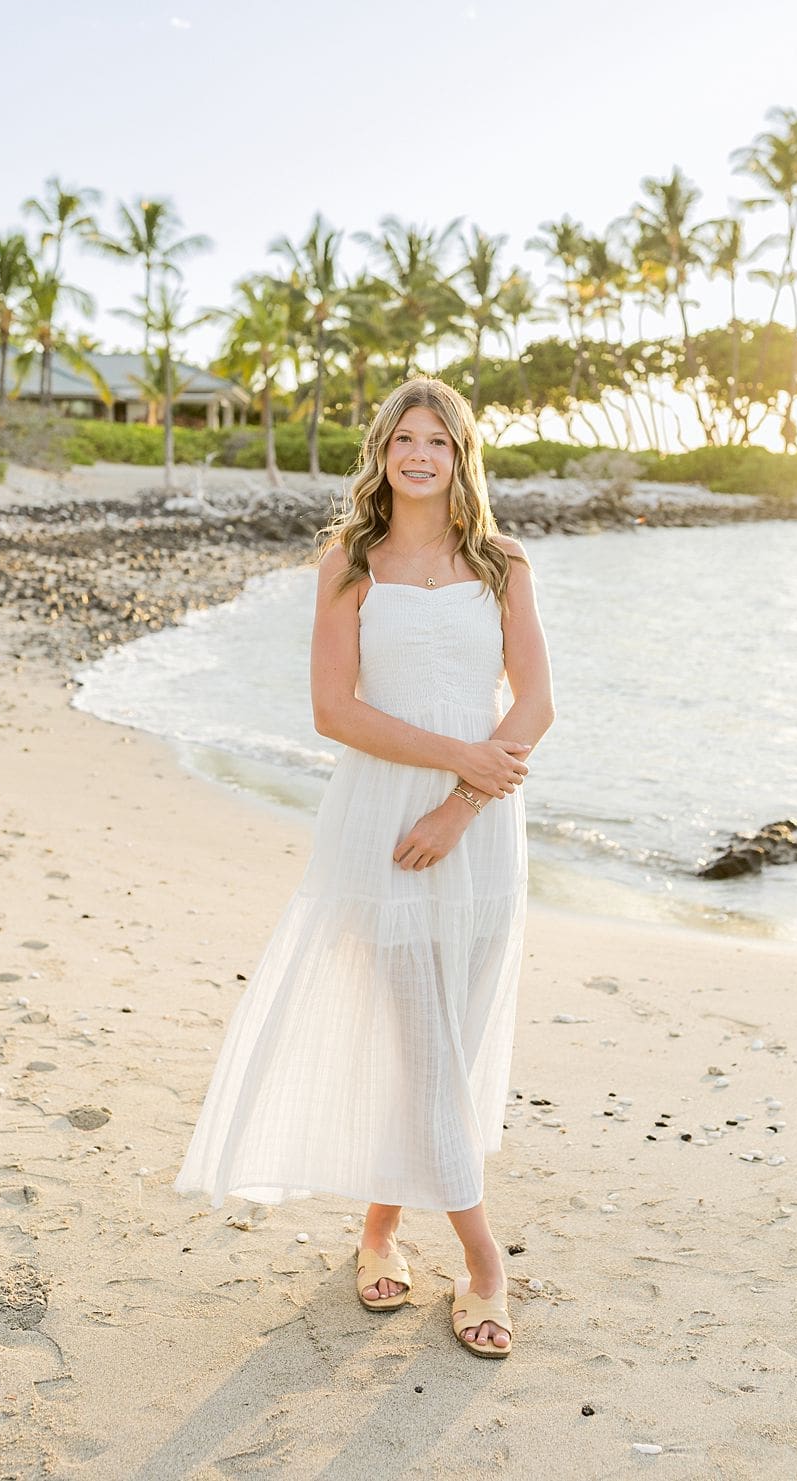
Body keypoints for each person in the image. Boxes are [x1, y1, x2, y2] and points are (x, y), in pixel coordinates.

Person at [173, 376, 556, 1359]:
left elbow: (534, 704)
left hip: (479, 829)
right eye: (403, 439)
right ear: (382, 452)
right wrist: (459, 759)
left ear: (461, 455)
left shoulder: (503, 560)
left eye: (438, 440)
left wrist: (463, 800)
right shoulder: (348, 559)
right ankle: (485, 1263)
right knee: (424, 1046)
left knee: (450, 1040)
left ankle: (380, 1228)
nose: (419, 455)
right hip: (382, 825)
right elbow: (333, 709)